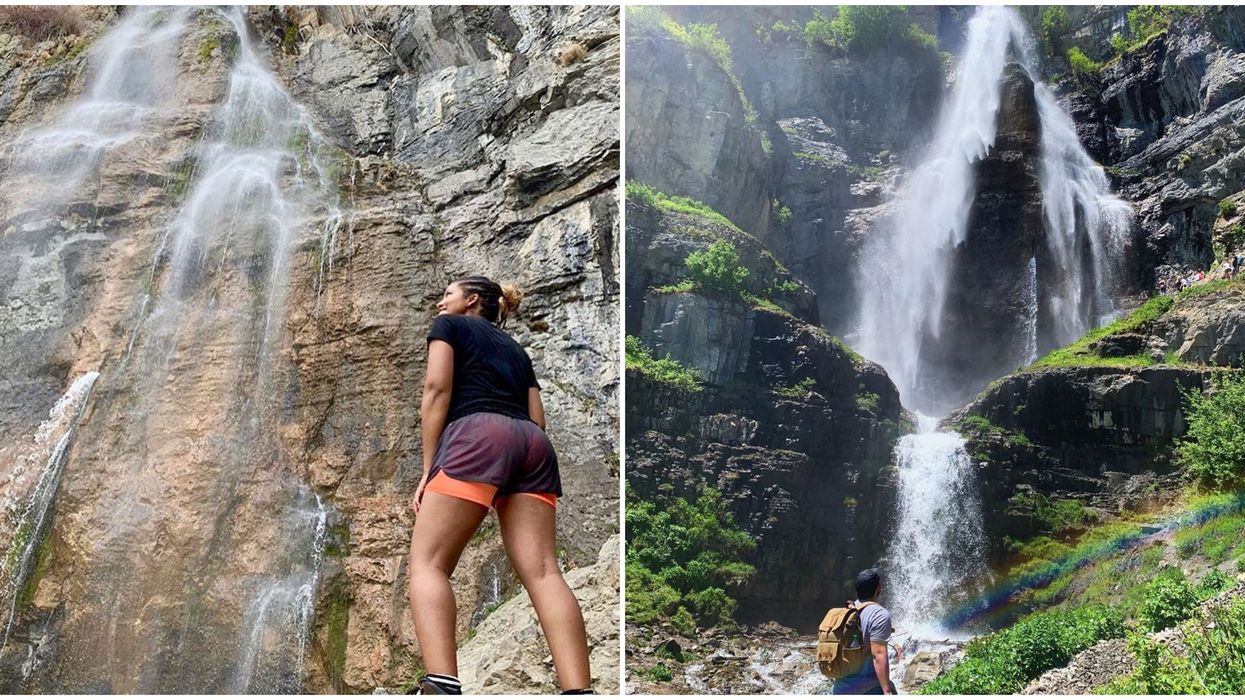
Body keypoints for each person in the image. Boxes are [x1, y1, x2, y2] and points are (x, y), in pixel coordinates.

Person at [406, 275, 592, 695]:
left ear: (471, 300)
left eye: (447, 294)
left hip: (478, 435)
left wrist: (430, 468)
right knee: (544, 573)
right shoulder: (515, 349)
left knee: (428, 564)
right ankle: (579, 691)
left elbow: (436, 390)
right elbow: (537, 418)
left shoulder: (450, 326)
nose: (440, 303)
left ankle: (440, 686)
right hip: (532, 444)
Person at [831, 568, 901, 695]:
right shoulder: (879, 614)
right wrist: (887, 691)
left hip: (839, 688)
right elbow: (878, 653)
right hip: (869, 689)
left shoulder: (846, 612)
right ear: (878, 589)